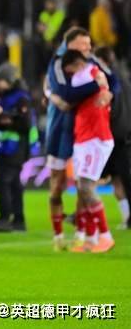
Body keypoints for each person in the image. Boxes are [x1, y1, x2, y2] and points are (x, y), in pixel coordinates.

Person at [44, 27, 116, 251]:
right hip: (61, 130)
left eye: (89, 44)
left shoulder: (91, 64)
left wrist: (107, 90)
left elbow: (113, 81)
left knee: (83, 184)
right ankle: (61, 237)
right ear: (70, 46)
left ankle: (85, 234)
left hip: (90, 133)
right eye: (83, 44)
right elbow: (65, 94)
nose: (88, 48)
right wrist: (98, 86)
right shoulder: (58, 63)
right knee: (58, 186)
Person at [61, 50, 115, 253]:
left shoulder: (89, 72)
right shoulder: (85, 76)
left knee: (86, 186)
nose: (67, 74)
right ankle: (91, 239)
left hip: (96, 138)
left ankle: (105, 236)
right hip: (84, 137)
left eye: (68, 70)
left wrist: (104, 90)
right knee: (82, 187)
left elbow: (99, 83)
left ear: (75, 64)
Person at [0, 63, 35, 232]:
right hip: (6, 147)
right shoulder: (5, 97)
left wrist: (3, 115)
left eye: (0, 80)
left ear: (10, 80)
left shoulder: (20, 98)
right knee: (14, 184)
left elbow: (25, 124)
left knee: (3, 182)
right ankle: (19, 220)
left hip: (15, 148)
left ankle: (4, 218)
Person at [94, 47, 131, 229]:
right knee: (117, 178)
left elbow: (113, 110)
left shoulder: (111, 81)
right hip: (121, 134)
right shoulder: (123, 76)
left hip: (117, 136)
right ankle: (127, 217)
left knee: (121, 178)